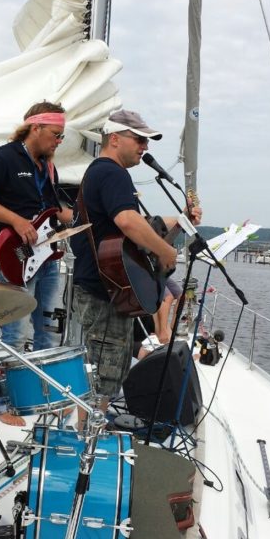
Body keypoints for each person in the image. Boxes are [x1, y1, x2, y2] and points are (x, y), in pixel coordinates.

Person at [70, 110, 202, 412]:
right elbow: (128, 221)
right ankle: (89, 443)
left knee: (102, 371)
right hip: (104, 290)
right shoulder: (113, 173)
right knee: (102, 376)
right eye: (139, 139)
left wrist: (181, 220)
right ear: (114, 139)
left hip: (104, 287)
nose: (145, 147)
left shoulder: (101, 172)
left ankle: (90, 433)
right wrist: (165, 252)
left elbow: (142, 224)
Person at [0, 102, 73, 424]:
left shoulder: (48, 167)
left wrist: (81, 217)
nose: (59, 141)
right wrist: (15, 220)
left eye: (62, 136)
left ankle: (43, 396)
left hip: (46, 257)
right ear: (36, 128)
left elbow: (54, 212)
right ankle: (4, 404)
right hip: (16, 256)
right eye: (56, 134)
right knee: (13, 332)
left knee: (47, 332)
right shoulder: (6, 156)